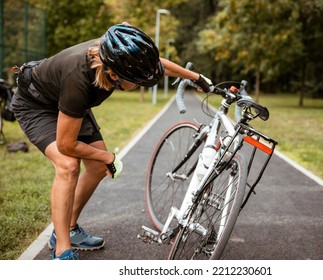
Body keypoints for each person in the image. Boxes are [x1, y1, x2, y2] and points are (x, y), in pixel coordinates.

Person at [11, 23, 212, 260]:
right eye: (135, 81)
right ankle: (62, 250)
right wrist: (108, 156)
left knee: (95, 169)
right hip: (37, 105)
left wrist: (197, 78)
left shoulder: (121, 55)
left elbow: (156, 65)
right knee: (68, 165)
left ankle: (69, 229)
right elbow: (66, 145)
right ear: (114, 74)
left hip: (69, 102)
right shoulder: (78, 79)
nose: (139, 83)